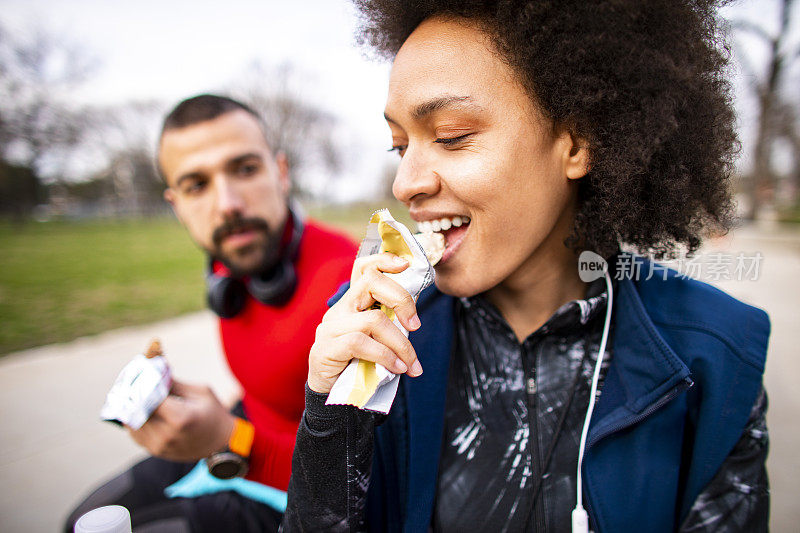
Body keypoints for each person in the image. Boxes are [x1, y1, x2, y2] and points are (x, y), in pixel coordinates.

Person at [281, 1, 771, 532]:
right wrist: (329, 423)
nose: (406, 184)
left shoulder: (716, 354)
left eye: (450, 136)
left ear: (577, 142)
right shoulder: (375, 338)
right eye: (401, 146)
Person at [65, 94, 358, 532]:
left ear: (281, 173)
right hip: (242, 439)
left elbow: (365, 480)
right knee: (82, 521)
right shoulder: (229, 271)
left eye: (245, 169)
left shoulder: (351, 286)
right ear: (176, 204)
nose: (227, 204)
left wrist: (229, 439)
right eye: (196, 185)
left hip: (302, 495)